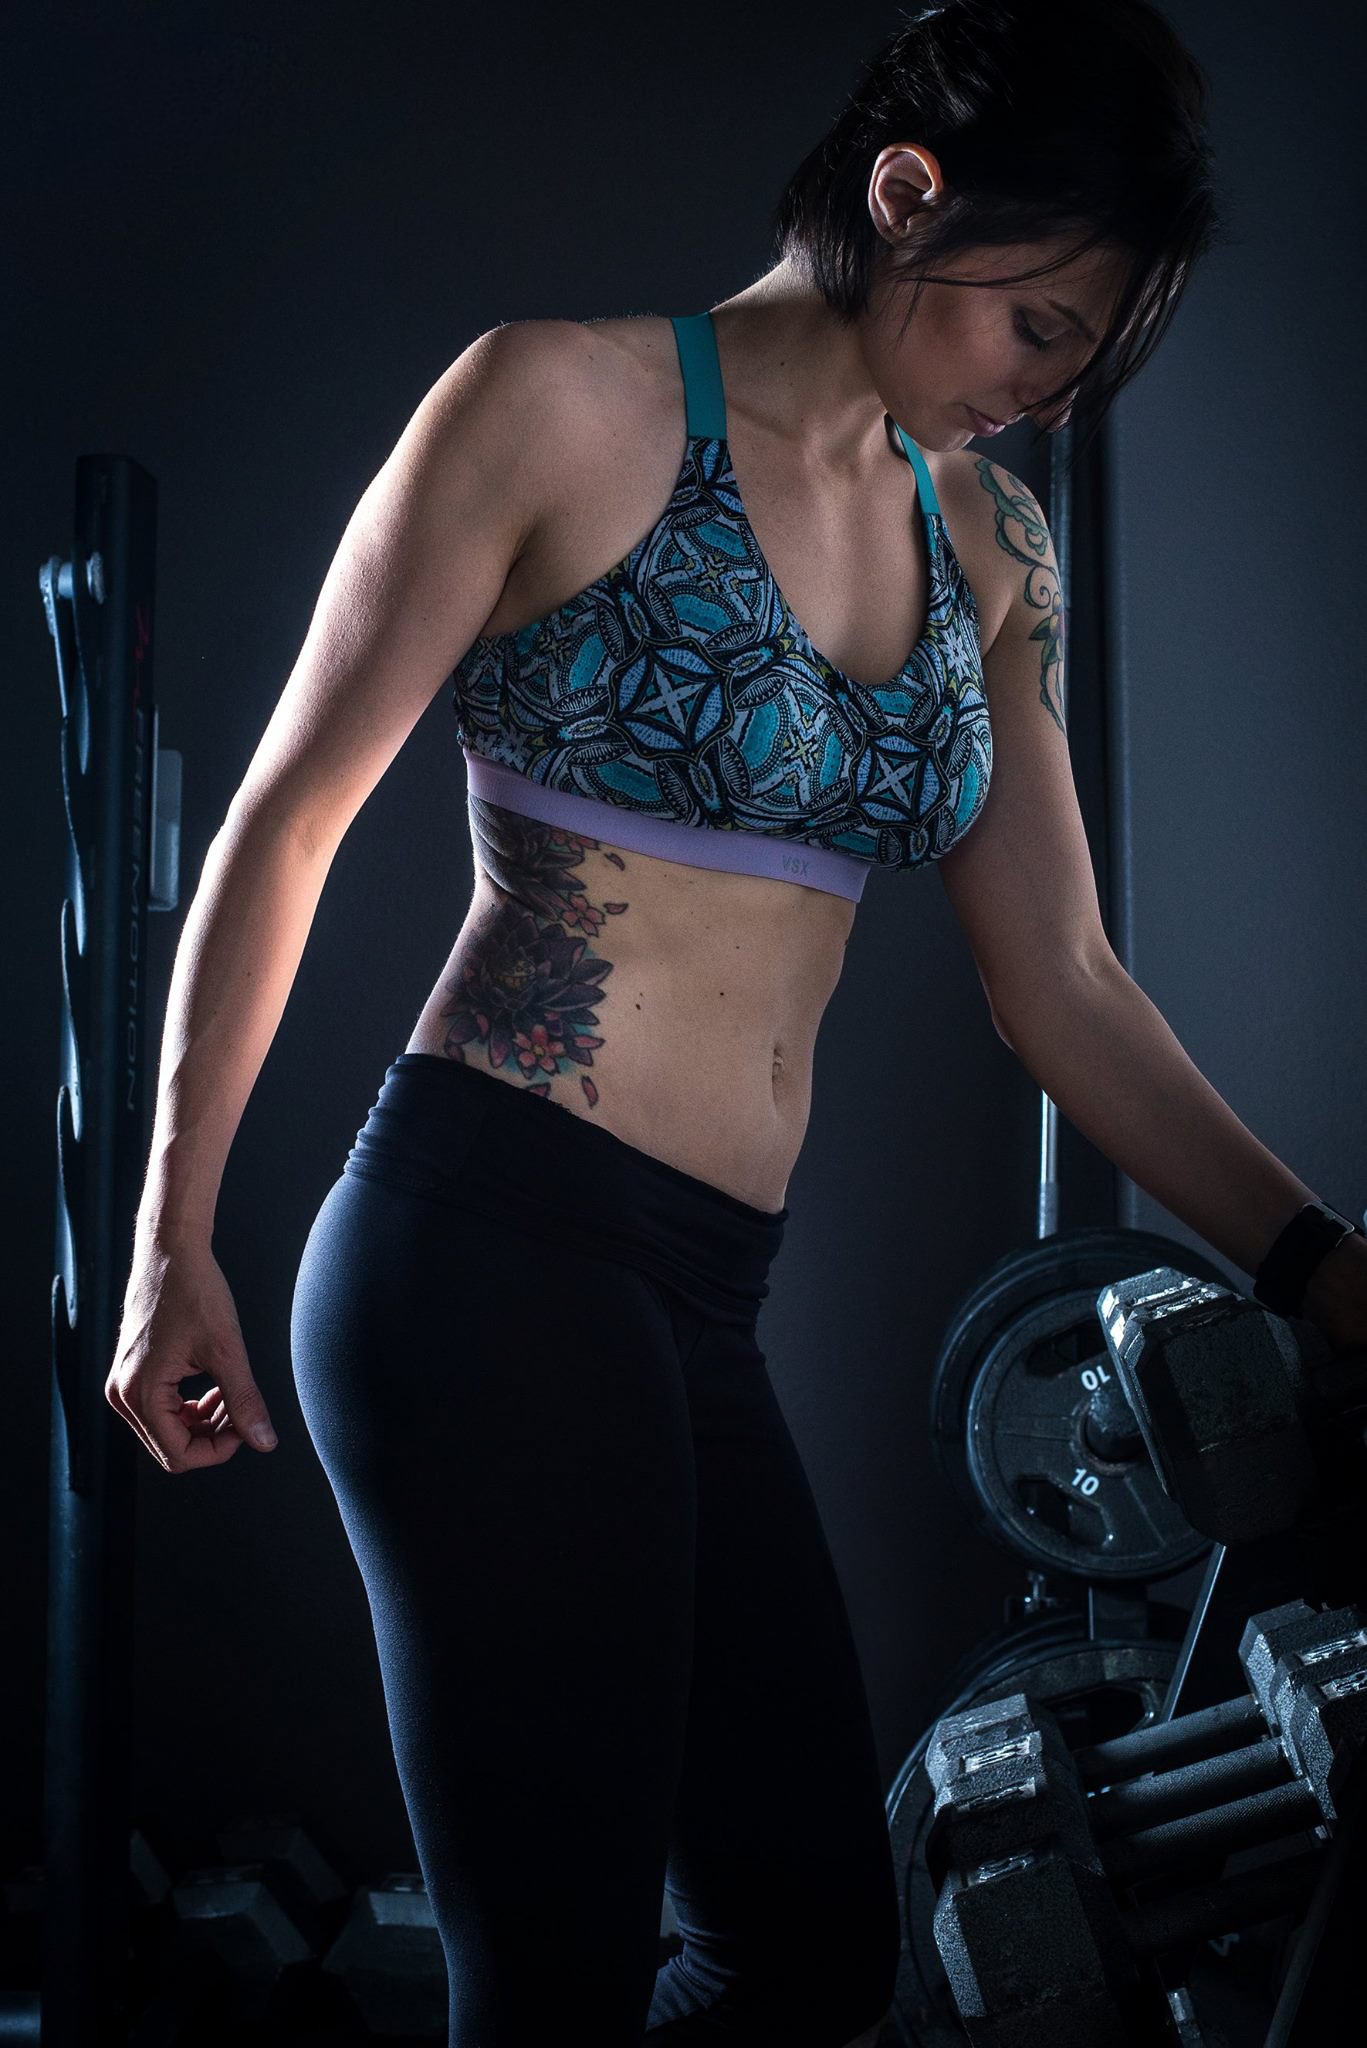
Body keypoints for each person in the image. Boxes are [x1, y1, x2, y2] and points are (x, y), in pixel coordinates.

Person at [107, 1, 1367, 2042]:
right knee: (556, 1982)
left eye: (1081, 361)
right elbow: (288, 822)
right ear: (907, 195)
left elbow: (1061, 983)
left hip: (699, 1297)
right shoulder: (556, 403)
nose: (1043, 394)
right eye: (1038, 327)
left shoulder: (986, 541)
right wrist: (172, 1234)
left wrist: (1320, 1268)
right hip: (487, 1250)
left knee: (805, 1953)